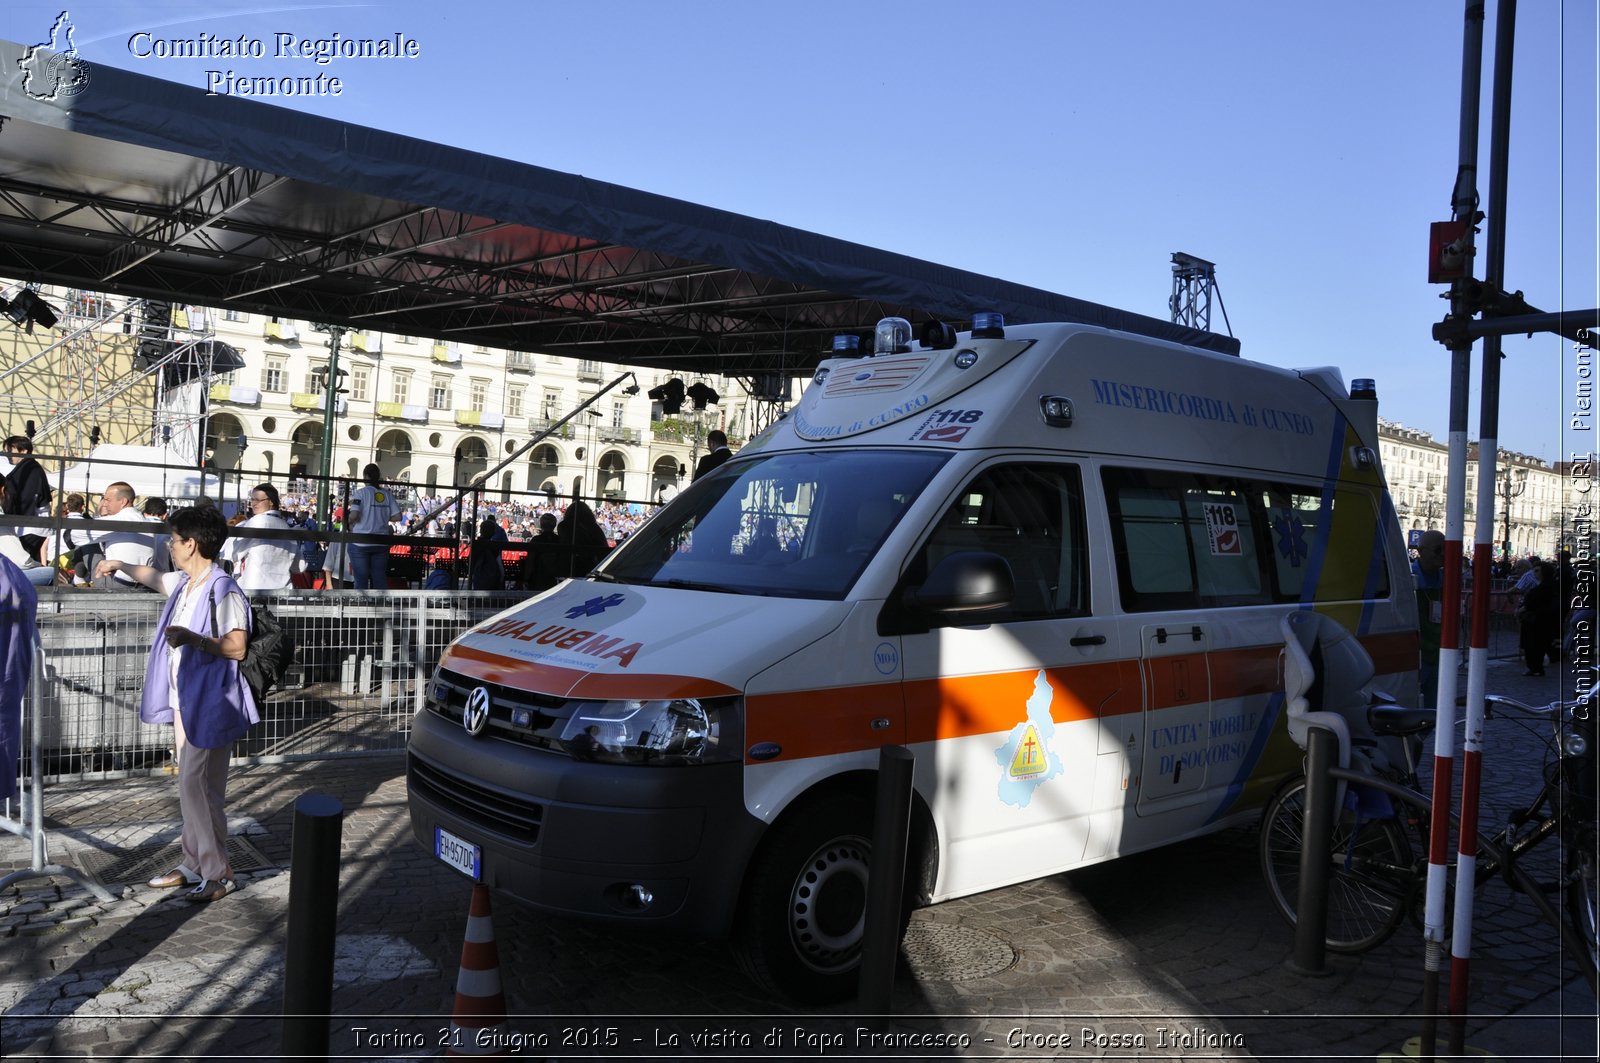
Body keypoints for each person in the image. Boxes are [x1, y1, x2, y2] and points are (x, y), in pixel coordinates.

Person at [94, 506, 258, 902]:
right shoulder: (188, 582)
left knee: (192, 782)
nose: (169, 545)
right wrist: (119, 563)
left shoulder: (222, 589)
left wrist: (193, 639)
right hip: (189, 699)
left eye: (174, 539)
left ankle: (217, 870)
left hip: (210, 701)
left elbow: (236, 648)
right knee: (204, 788)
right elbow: (153, 577)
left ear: (192, 543)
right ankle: (195, 863)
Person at [219, 483, 297, 591]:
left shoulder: (255, 521)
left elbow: (230, 553)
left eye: (258, 500)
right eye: (252, 499)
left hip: (254, 590)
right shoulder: (287, 527)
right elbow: (300, 566)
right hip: (283, 590)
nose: (253, 503)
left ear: (271, 501)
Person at [85, 481, 156, 591]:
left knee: (85, 543)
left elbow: (76, 535)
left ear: (123, 502)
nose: (105, 504)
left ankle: (79, 579)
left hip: (117, 583)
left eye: (108, 500)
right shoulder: (146, 521)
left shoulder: (116, 520)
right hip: (146, 582)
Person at [345, 464, 395, 591]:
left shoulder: (360, 493)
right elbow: (398, 516)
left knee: (360, 579)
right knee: (379, 577)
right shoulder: (386, 494)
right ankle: (381, 605)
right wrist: (382, 516)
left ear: (365, 477)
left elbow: (354, 514)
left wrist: (349, 521)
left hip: (360, 542)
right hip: (381, 542)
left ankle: (361, 605)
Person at [2, 435, 52, 560]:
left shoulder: (28, 470)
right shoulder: (30, 468)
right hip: (32, 526)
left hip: (29, 527)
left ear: (23, 451)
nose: (7, 455)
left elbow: (26, 499)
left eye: (9, 451)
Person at [1412, 530, 1446, 708]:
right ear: (1421, 551)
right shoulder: (1409, 577)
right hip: (1417, 653)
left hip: (1439, 653)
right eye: (1438, 550)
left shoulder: (1447, 579)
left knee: (1435, 707)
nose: (1443, 555)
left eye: (1446, 549)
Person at [1517, 561, 1560, 677]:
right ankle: (1535, 667)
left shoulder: (1545, 587)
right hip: (1538, 619)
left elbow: (1533, 602)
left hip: (1537, 619)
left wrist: (1521, 610)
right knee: (1535, 644)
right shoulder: (1545, 586)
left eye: (1537, 570)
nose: (1534, 573)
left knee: (1534, 644)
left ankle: (1535, 667)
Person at [555, 499, 611, 578]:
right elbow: (602, 547)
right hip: (589, 566)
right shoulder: (594, 528)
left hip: (568, 565)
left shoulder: (563, 526)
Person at [468, 516, 507, 591]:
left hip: (478, 579)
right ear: (492, 532)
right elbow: (499, 566)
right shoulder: (493, 547)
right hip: (491, 580)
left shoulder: (475, 545)